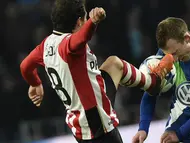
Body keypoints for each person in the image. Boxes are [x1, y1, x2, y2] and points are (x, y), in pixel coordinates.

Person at [19, 1, 174, 143]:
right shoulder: (68, 46)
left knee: (114, 64)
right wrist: (94, 21)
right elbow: (81, 38)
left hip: (83, 112)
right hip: (95, 121)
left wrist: (35, 83)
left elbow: (25, 66)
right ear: (79, 21)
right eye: (85, 17)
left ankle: (154, 82)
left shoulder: (46, 44)